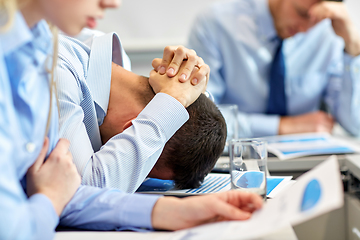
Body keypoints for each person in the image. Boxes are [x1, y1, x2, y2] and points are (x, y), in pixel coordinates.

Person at [0, 0, 262, 239]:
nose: (113, 3)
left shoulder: (40, 45)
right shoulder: (51, 64)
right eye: (136, 167)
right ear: (131, 129)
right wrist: (171, 101)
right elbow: (77, 188)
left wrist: (170, 210)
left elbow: (64, 191)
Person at [57, 30, 227, 191]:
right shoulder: (59, 71)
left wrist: (190, 89)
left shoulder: (112, 69)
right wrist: (173, 100)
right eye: (139, 170)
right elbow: (83, 190)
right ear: (130, 129)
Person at [188, 0, 360, 138]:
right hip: (234, 160)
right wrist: (282, 127)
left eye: (316, 20)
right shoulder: (215, 24)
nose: (305, 29)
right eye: (301, 13)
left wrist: (353, 48)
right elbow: (201, 120)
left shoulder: (328, 34)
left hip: (308, 161)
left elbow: (355, 125)